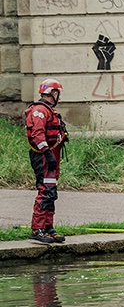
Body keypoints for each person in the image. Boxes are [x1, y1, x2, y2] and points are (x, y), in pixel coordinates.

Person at [27, 79, 68, 244]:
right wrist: (48, 154)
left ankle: (48, 227)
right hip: (43, 156)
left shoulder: (50, 111)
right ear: (54, 93)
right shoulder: (39, 111)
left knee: (51, 192)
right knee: (44, 191)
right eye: (58, 93)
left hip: (51, 156)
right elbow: (38, 134)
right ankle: (37, 229)